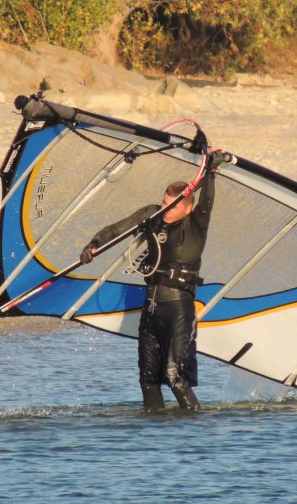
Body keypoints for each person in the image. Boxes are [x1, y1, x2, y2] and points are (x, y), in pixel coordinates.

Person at [80, 150, 223, 412]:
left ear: (187, 208)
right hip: (151, 309)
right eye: (165, 202)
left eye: (174, 206)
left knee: (173, 374)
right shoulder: (152, 215)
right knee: (147, 378)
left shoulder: (196, 224)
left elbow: (207, 201)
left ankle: (193, 431)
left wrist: (211, 172)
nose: (167, 209)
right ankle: (151, 441)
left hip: (179, 309)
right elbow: (118, 229)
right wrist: (94, 244)